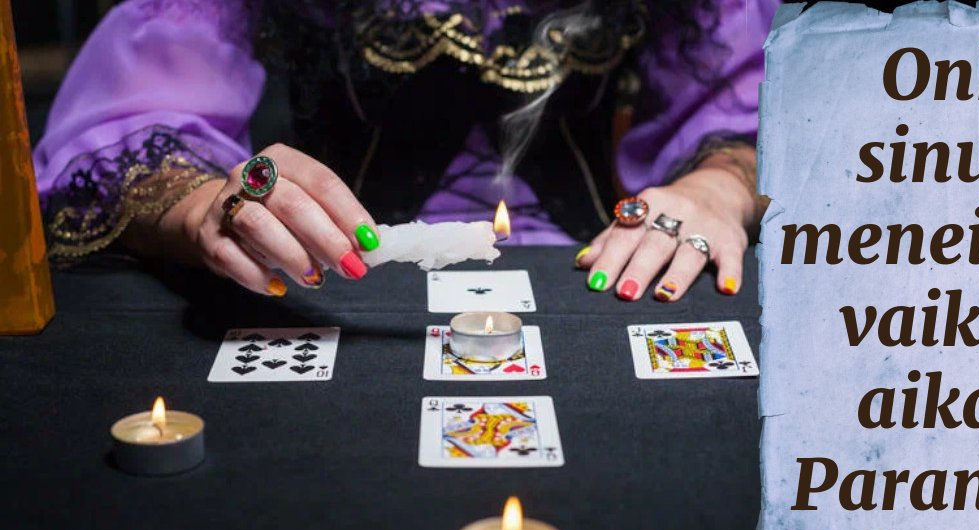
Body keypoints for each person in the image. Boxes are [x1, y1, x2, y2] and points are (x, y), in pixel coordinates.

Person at [34, 0, 775, 301]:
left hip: (592, 280)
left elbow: (752, 102)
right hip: (336, 288)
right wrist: (206, 205)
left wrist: (720, 185)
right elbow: (137, 117)